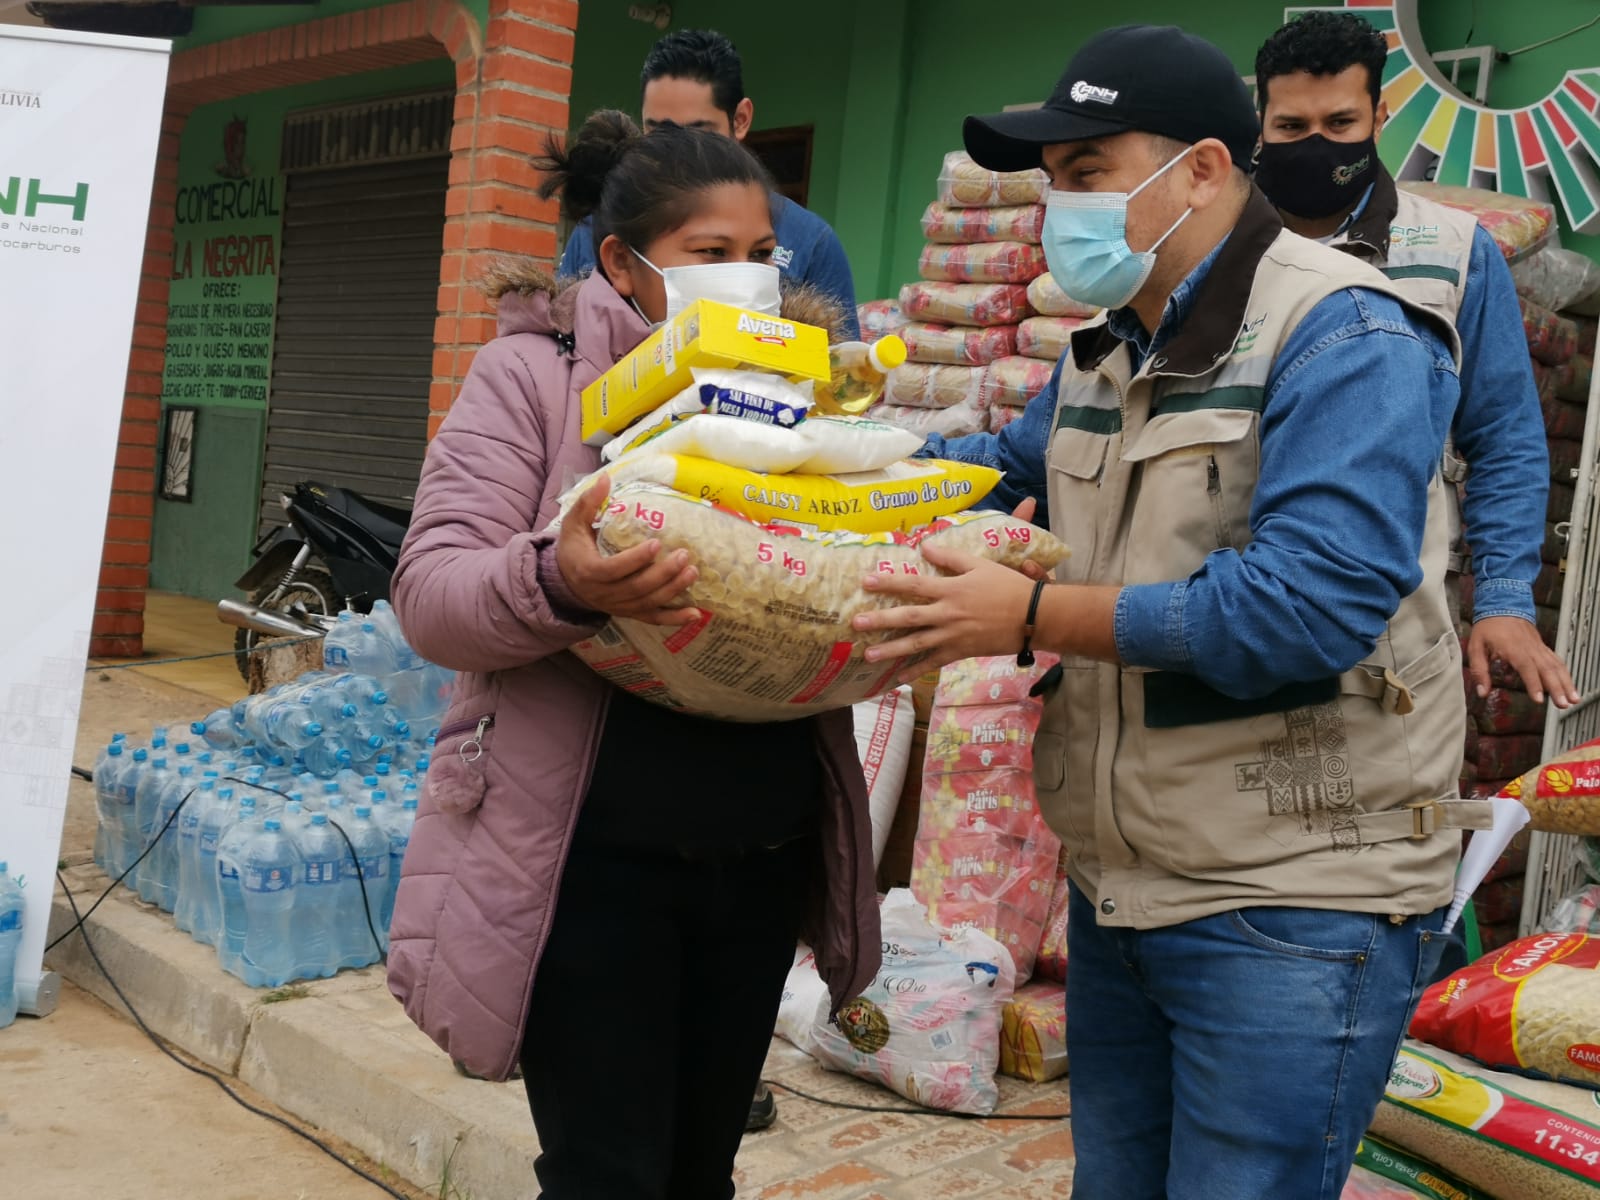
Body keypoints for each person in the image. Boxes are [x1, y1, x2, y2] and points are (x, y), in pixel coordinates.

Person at [857, 24, 1494, 1200]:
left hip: (1292, 893)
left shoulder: (1341, 332)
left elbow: (1305, 607)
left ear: (1200, 168)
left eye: (1088, 175)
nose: (1061, 209)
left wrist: (1030, 614)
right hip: (1126, 883)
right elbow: (1005, 465)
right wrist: (822, 467)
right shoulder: (1108, 349)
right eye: (1050, 183)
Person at [386, 111, 880, 1199]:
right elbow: (431, 596)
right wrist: (559, 580)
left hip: (759, 853)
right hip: (586, 864)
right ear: (624, 262)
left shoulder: (802, 394)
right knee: (608, 1172)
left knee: (703, 1169)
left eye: (761, 257)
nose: (746, 281)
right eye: (711, 257)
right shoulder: (531, 381)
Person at [1253, 10, 1576, 711]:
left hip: (1394, 618)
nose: (1314, 146)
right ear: (1260, 121)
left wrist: (1503, 600)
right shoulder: (1214, 244)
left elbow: (1504, 436)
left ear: (1380, 114)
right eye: (1290, 128)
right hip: (1224, 592)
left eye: (1339, 125)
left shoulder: (1453, 250)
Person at [557, 28, 860, 339]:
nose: (677, 152)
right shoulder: (602, 227)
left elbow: (838, 373)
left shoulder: (812, 241)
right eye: (658, 132)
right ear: (618, 259)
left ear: (740, 119)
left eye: (759, 253)